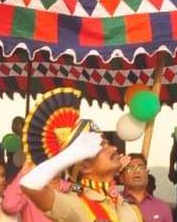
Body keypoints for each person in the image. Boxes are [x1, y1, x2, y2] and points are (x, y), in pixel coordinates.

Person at [19, 88, 141, 222]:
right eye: (100, 146)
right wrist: (71, 155)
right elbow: (30, 184)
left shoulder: (128, 208)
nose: (113, 148)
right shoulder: (77, 205)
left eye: (106, 143)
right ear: (84, 166)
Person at [120, 154, 173, 222]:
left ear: (147, 173)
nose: (136, 171)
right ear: (121, 178)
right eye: (130, 168)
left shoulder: (162, 207)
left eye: (141, 168)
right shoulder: (113, 203)